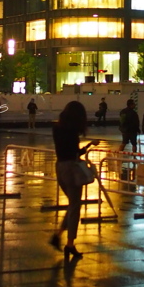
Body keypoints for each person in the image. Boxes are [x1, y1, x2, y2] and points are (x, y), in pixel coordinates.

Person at [49, 100, 93, 259]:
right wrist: (88, 147)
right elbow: (75, 154)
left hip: (60, 167)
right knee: (75, 207)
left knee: (72, 204)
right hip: (71, 169)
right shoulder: (72, 132)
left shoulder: (57, 128)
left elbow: (64, 151)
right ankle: (69, 244)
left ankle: (59, 235)